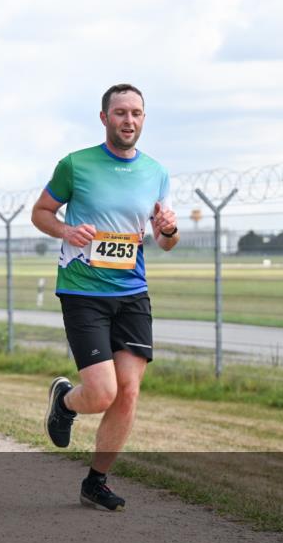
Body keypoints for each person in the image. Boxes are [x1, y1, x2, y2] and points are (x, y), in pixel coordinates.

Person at [31, 83, 179, 511]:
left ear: (143, 119)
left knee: (128, 392)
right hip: (83, 290)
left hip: (132, 292)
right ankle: (65, 400)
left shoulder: (157, 173)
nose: (128, 121)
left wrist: (167, 229)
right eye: (120, 113)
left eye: (136, 113)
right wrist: (65, 230)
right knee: (101, 393)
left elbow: (166, 241)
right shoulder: (75, 165)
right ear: (104, 118)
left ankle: (96, 481)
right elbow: (41, 213)